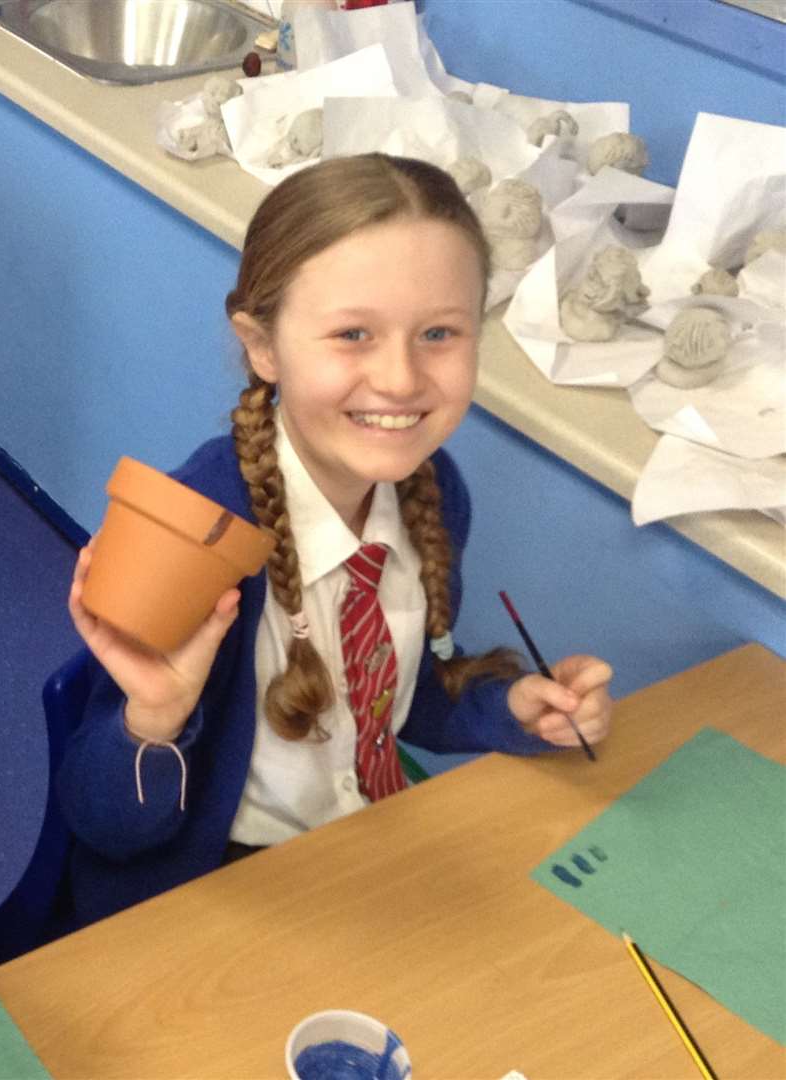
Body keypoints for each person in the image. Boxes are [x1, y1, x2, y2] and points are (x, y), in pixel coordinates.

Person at [58, 154, 613, 930]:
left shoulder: (434, 490)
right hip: (215, 893)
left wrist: (510, 709)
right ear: (262, 345)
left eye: (439, 333)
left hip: (366, 844)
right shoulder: (191, 529)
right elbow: (101, 824)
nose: (399, 378)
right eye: (353, 333)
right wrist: (155, 717)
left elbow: (395, 704)